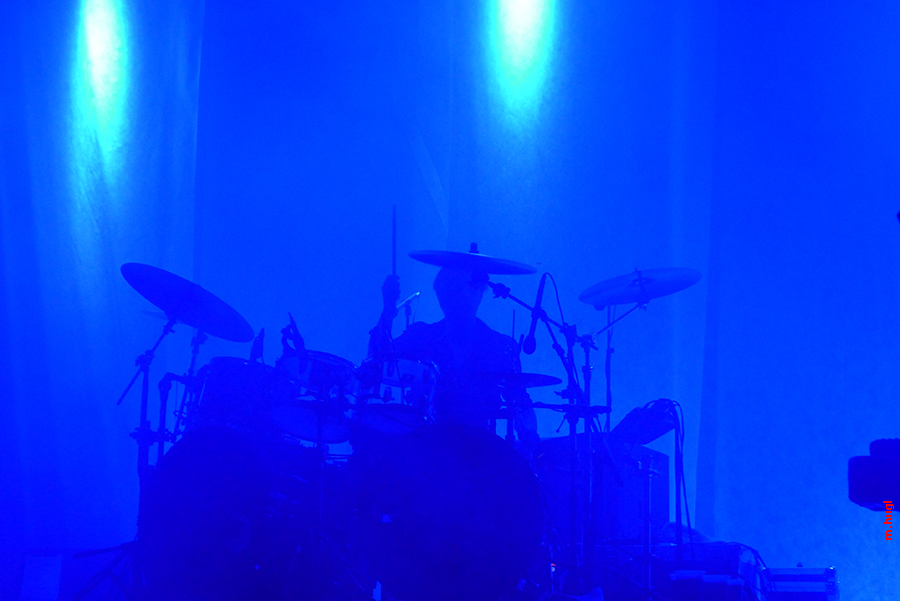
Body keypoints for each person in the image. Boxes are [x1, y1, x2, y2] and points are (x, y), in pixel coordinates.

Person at [368, 266, 539, 447]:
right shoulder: (421, 336)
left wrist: (533, 444)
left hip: (481, 451)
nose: (456, 298)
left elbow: (520, 402)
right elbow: (376, 361)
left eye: (460, 290)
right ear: (441, 296)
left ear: (480, 293)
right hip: (424, 447)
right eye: (450, 290)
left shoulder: (500, 346)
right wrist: (388, 311)